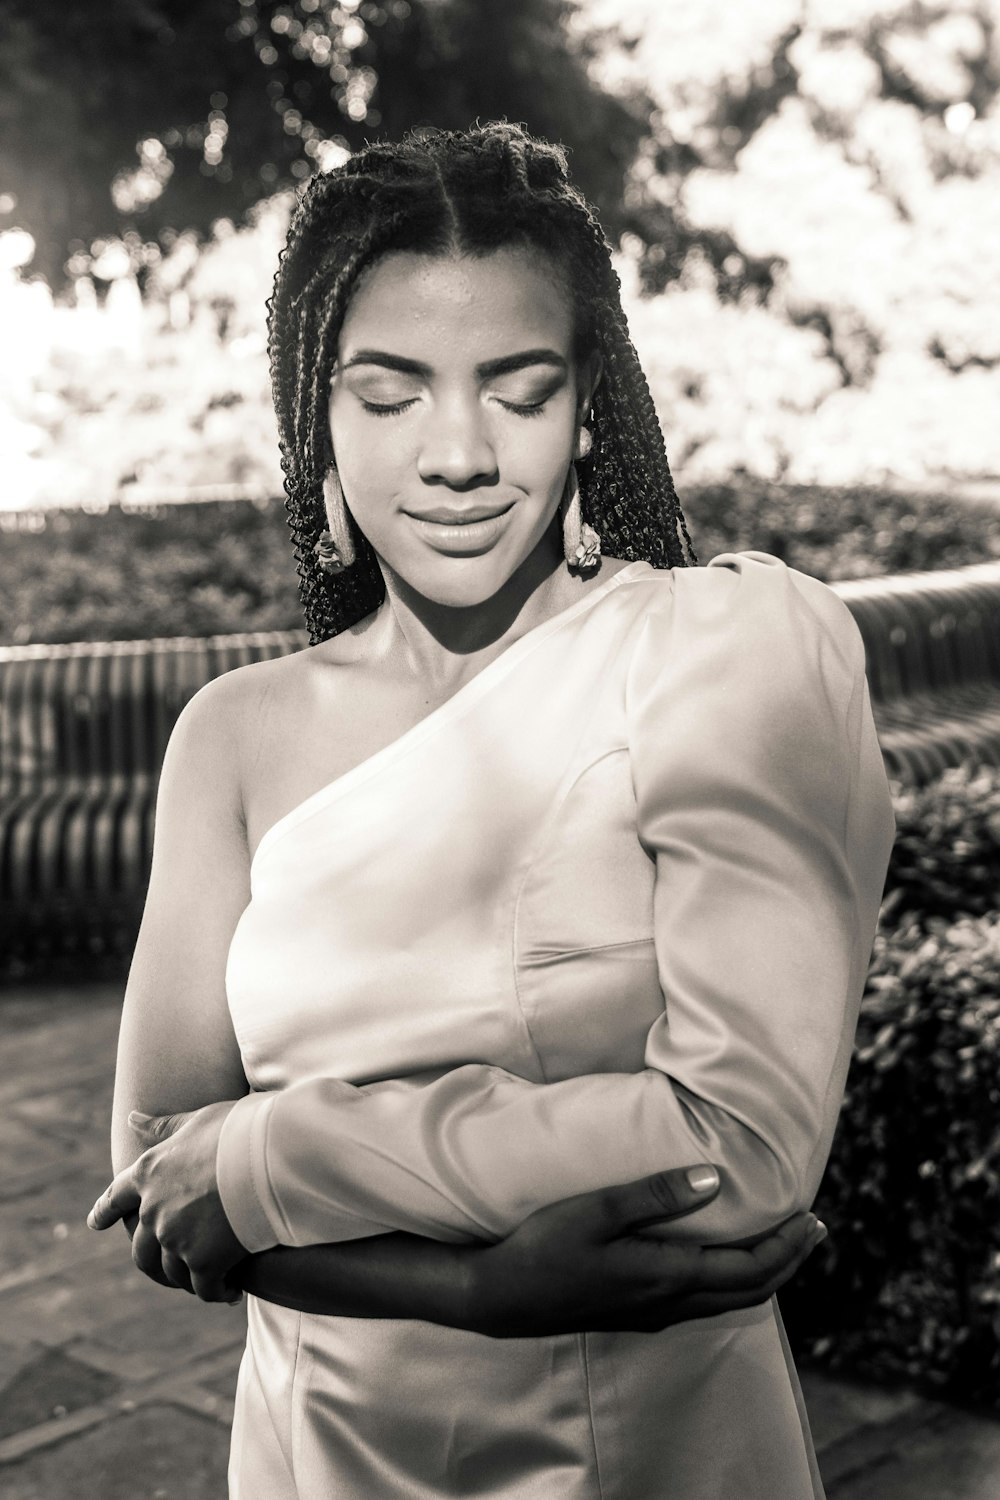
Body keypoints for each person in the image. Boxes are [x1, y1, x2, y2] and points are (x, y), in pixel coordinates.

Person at [88, 122, 895, 1497]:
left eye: (516, 391)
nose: (457, 453)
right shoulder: (231, 736)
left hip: (641, 1447)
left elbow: (740, 1152)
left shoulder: (722, 657)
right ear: (317, 415)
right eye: (390, 396)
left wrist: (277, 1149)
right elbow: (161, 1187)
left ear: (588, 405)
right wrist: (477, 1295)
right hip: (318, 1440)